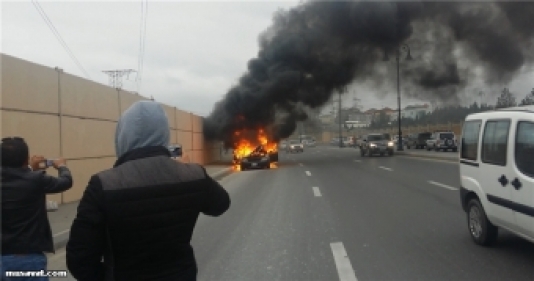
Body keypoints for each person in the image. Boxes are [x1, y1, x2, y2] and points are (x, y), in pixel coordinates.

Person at [66, 101, 231, 281]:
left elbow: (79, 258)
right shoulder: (193, 174)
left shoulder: (103, 184)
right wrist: (188, 168)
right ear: (164, 132)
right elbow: (221, 205)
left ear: (123, 135)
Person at [1, 137, 73, 281]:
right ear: (26, 159)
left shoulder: (32, 178)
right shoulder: (36, 180)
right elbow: (66, 182)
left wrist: (30, 169)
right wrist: (62, 166)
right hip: (30, 258)